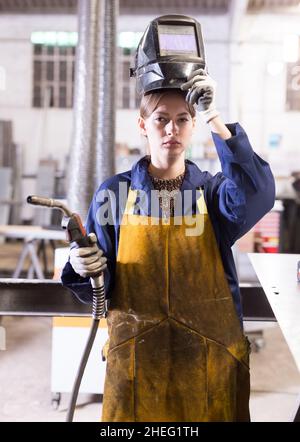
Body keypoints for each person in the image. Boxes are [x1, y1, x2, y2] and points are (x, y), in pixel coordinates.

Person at [61, 67, 275, 421]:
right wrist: (84, 268)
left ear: (193, 127)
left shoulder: (213, 192)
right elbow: (103, 283)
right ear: (143, 126)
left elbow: (258, 193)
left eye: (183, 119)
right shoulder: (114, 194)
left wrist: (213, 116)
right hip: (137, 365)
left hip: (210, 366)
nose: (172, 129)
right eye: (161, 119)